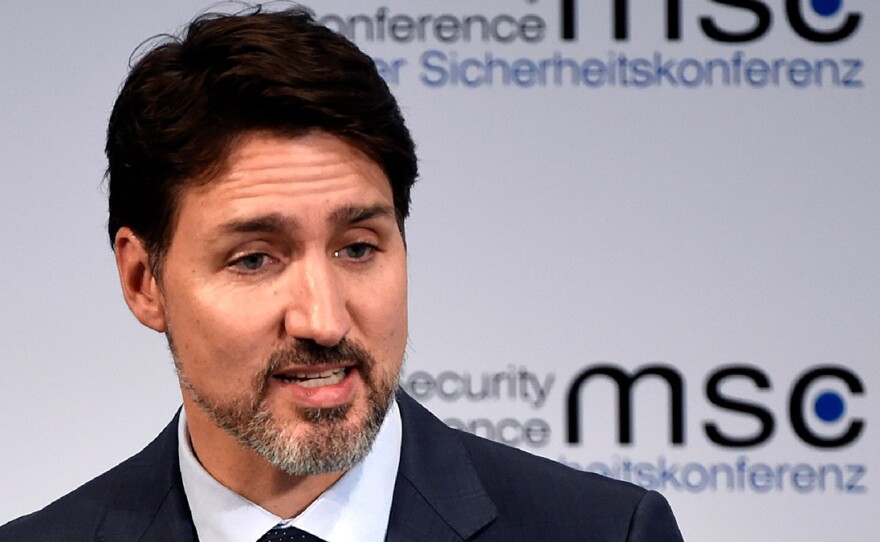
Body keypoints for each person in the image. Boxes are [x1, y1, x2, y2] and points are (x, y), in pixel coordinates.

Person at [0, 6, 683, 542]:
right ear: (143, 281)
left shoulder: (602, 532)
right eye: (255, 259)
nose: (323, 320)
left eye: (357, 248)